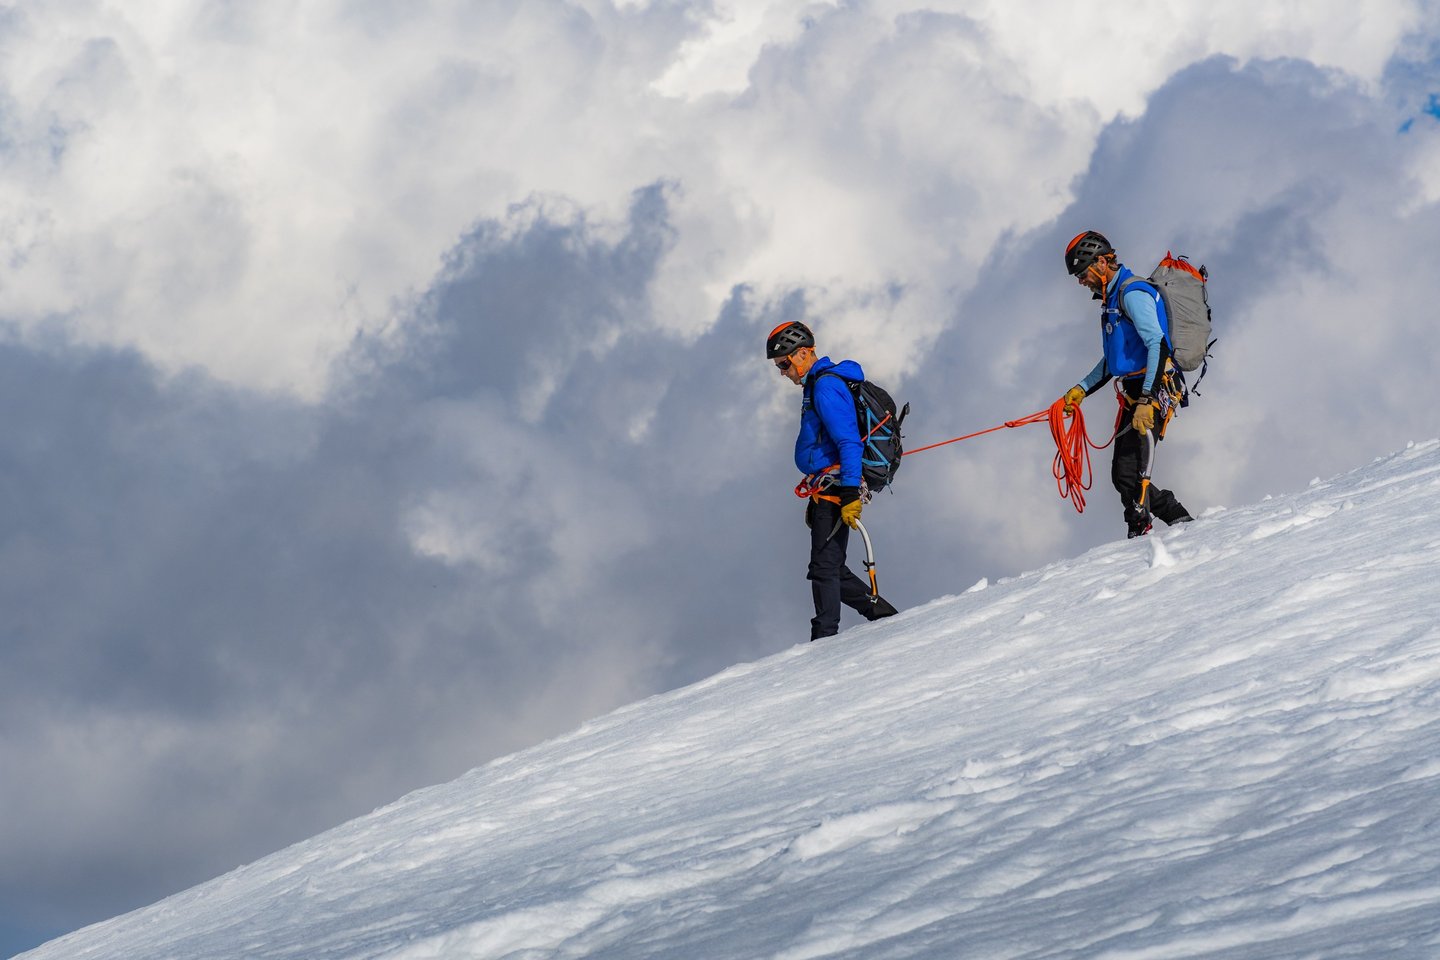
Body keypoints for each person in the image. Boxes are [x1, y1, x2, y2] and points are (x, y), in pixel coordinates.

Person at [767, 320, 899, 640]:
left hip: (838, 486)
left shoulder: (825, 386)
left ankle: (824, 640)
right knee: (829, 567)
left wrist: (851, 492)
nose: (783, 373)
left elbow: (849, 442)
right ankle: (885, 616)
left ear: (803, 354)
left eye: (784, 364)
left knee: (824, 568)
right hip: (828, 485)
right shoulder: (818, 385)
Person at [1059, 230, 1193, 538]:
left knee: (1131, 474)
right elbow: (1115, 358)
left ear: (1103, 262)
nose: (1081, 281)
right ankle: (1175, 524)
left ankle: (1154, 528)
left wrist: (1146, 399)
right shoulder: (1111, 299)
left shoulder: (1131, 294)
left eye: (1083, 272)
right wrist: (1081, 389)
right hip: (1136, 392)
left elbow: (1157, 345)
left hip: (1155, 388)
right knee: (1124, 475)